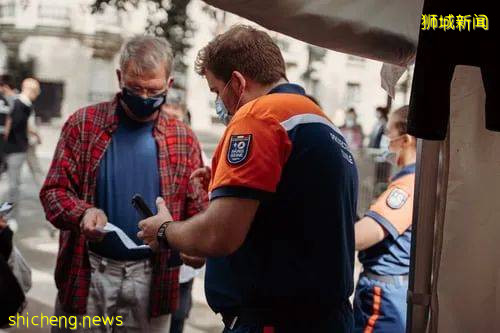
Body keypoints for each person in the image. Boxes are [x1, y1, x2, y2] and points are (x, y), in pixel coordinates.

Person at [137, 25, 359, 333]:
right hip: (326, 317)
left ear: (238, 82)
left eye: (217, 91)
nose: (219, 103)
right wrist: (228, 184)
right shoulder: (320, 121)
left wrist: (164, 231)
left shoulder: (259, 117)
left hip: (275, 321)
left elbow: (220, 234)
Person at [39, 36, 208, 332]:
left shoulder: (184, 138)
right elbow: (54, 191)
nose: (144, 97)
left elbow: (197, 209)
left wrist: (196, 244)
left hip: (153, 280)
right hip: (89, 272)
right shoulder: (84, 124)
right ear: (119, 78)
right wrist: (82, 213)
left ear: (169, 85)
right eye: (135, 88)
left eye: (153, 90)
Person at [353, 106, 416, 332]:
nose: (386, 143)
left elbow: (364, 235)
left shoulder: (408, 185)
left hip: (383, 296)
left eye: (389, 135)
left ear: (405, 140)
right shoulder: (411, 180)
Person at [4, 78, 40, 221]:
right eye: (36, 92)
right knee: (13, 187)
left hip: (16, 148)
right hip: (15, 149)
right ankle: (6, 216)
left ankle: (7, 216)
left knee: (14, 186)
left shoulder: (22, 104)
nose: (36, 95)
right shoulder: (20, 104)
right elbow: (12, 126)